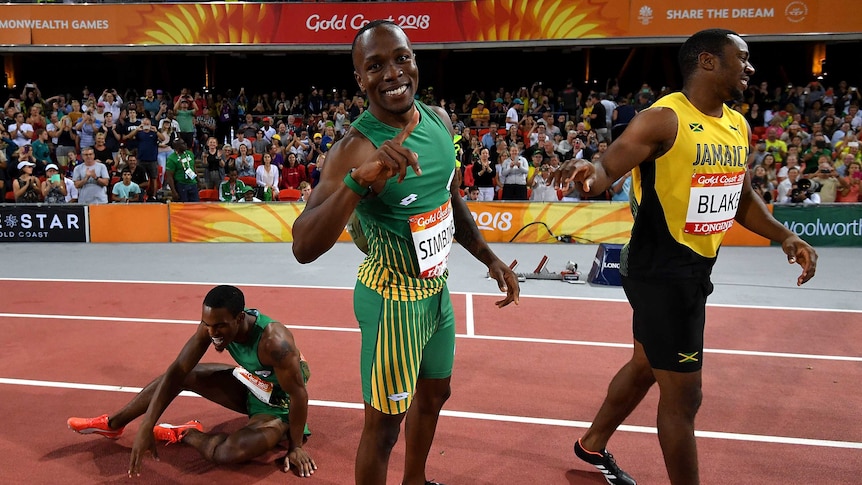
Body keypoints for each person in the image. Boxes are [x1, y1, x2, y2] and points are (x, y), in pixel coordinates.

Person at [568, 29, 817, 485]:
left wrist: (785, 236)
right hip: (660, 272)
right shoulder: (663, 119)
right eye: (742, 58)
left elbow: (740, 199)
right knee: (684, 399)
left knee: (646, 363)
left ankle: (592, 444)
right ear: (707, 62)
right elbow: (605, 171)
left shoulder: (736, 125)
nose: (750, 67)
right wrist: (588, 173)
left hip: (694, 270)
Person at [292, 20, 519, 485]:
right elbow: (303, 245)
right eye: (375, 66)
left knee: (436, 394)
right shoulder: (354, 148)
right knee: (384, 428)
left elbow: (446, 197)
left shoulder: (439, 120)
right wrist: (359, 182)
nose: (392, 73)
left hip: (436, 291)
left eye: (401, 58)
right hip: (392, 298)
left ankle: (414, 481)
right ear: (360, 79)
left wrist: (488, 257)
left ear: (415, 60)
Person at [66, 285, 316, 478]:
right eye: (207, 325)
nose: (212, 333)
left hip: (280, 404)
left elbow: (299, 395)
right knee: (182, 375)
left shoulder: (275, 343)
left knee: (229, 453)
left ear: (240, 318)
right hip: (252, 384)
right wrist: (146, 424)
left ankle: (186, 433)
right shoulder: (212, 326)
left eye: (219, 327)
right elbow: (177, 370)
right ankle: (113, 424)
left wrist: (295, 447)